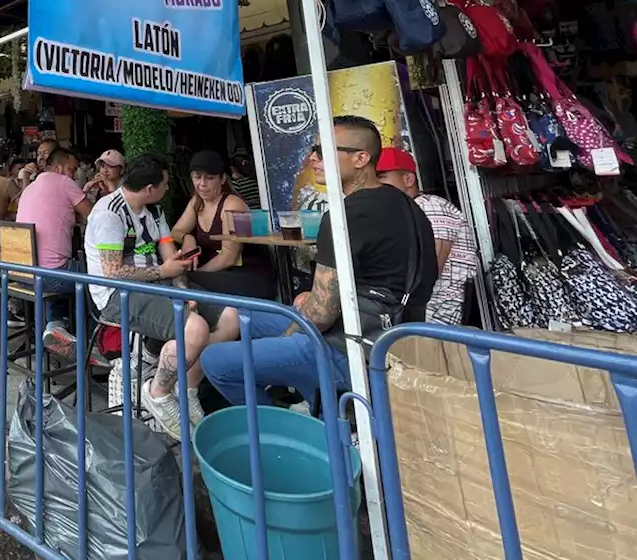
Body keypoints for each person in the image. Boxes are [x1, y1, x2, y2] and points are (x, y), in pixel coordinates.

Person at [199, 116, 438, 408]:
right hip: (395, 339)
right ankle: (314, 407)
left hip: (351, 348)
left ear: (361, 158)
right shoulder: (411, 208)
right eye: (314, 150)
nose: (312, 158)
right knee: (242, 315)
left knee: (214, 360)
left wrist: (289, 335)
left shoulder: (342, 217)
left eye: (323, 151)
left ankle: (289, 436)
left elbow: (321, 315)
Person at [85, 154, 227, 440]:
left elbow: (168, 253)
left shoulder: (155, 211)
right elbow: (112, 272)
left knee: (231, 317)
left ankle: (185, 387)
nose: (167, 188)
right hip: (118, 295)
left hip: (157, 287)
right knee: (195, 328)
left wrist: (182, 288)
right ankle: (159, 393)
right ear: (149, 188)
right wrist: (164, 270)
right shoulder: (109, 213)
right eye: (164, 184)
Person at [376, 147, 477, 326]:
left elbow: (429, 271)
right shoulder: (405, 210)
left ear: (408, 179)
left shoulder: (431, 206)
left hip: (437, 314)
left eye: (382, 176)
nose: (376, 183)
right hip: (417, 311)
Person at [15, 147, 94, 351]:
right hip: (50, 275)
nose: (75, 174)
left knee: (54, 262)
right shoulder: (64, 182)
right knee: (98, 275)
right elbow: (94, 216)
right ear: (58, 168)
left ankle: (56, 325)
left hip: (21, 273)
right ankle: (94, 346)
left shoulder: (31, 187)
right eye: (72, 169)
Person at [172, 150, 275, 302]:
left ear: (222, 179)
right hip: (222, 274)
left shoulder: (231, 204)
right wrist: (188, 238)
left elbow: (228, 257)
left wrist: (197, 273)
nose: (202, 184)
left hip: (248, 275)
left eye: (210, 178)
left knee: (185, 283)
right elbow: (176, 231)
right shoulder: (197, 202)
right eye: (197, 177)